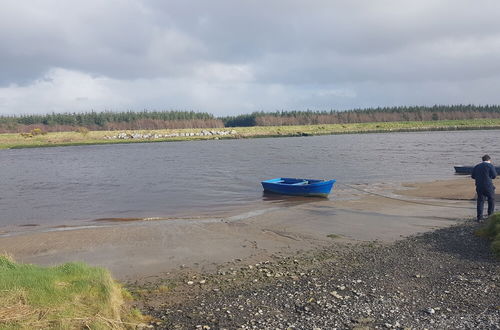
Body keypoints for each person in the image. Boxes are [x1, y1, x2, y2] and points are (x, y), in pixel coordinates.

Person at [471, 154, 497, 222]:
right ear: (489, 160)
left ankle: (479, 217)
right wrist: (489, 177)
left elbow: (473, 176)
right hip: (488, 185)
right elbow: (494, 176)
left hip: (479, 185)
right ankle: (490, 215)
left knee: (480, 201)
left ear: (482, 160)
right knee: (491, 199)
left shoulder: (477, 166)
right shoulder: (490, 166)